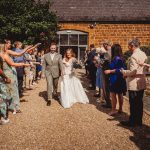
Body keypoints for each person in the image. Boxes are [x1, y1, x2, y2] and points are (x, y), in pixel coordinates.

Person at [120, 38, 147, 127]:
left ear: (132, 46)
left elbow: (133, 71)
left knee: (133, 103)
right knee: (139, 102)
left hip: (134, 82)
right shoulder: (143, 54)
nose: (128, 47)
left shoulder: (133, 56)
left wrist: (124, 72)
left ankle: (132, 122)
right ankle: (138, 121)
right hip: (142, 80)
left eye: (129, 46)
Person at [0, 43, 31, 114]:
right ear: (3, 48)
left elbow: (19, 54)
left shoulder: (5, 53)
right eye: (5, 46)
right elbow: (13, 64)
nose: (7, 47)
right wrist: (23, 64)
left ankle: (7, 107)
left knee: (6, 91)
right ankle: (15, 108)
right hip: (9, 74)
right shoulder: (5, 55)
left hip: (3, 74)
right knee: (13, 91)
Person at [104, 44, 127, 116]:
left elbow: (120, 69)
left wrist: (110, 71)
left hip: (115, 78)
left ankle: (113, 110)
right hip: (121, 79)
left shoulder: (116, 59)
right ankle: (120, 109)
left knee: (113, 95)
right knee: (120, 94)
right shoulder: (122, 58)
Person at [99, 40, 112, 108]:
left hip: (106, 71)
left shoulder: (107, 53)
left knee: (106, 87)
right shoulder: (113, 51)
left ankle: (108, 103)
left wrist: (98, 61)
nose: (103, 46)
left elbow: (102, 62)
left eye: (104, 45)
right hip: (111, 71)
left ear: (106, 45)